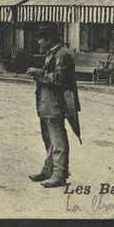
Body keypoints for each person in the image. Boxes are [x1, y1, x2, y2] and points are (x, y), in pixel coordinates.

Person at [25, 25, 81, 188]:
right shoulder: (53, 54)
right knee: (49, 139)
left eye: (42, 38)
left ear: (50, 39)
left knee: (58, 141)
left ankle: (59, 174)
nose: (39, 42)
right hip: (47, 105)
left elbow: (59, 79)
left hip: (56, 105)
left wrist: (38, 73)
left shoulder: (62, 55)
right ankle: (49, 170)